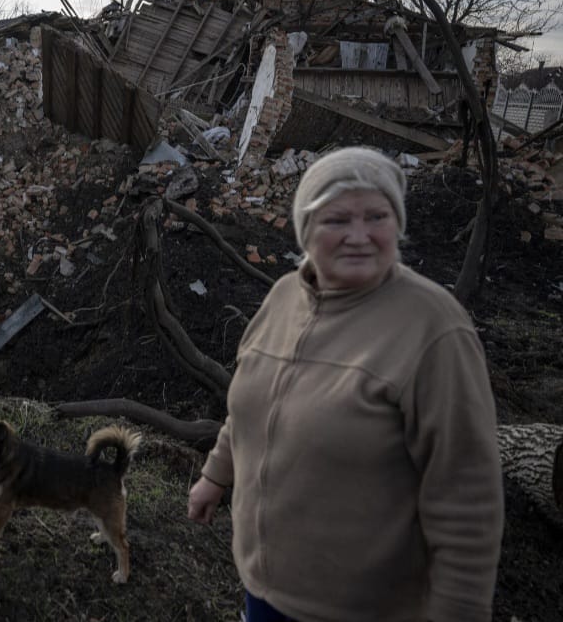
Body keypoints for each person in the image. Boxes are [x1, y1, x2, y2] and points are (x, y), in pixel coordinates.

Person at [187, 146, 504, 622]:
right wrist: (216, 474)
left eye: (376, 216)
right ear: (306, 230)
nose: (359, 237)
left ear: (397, 224)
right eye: (337, 220)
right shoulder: (283, 297)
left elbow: (467, 497)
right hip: (264, 589)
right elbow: (253, 399)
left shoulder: (434, 328)